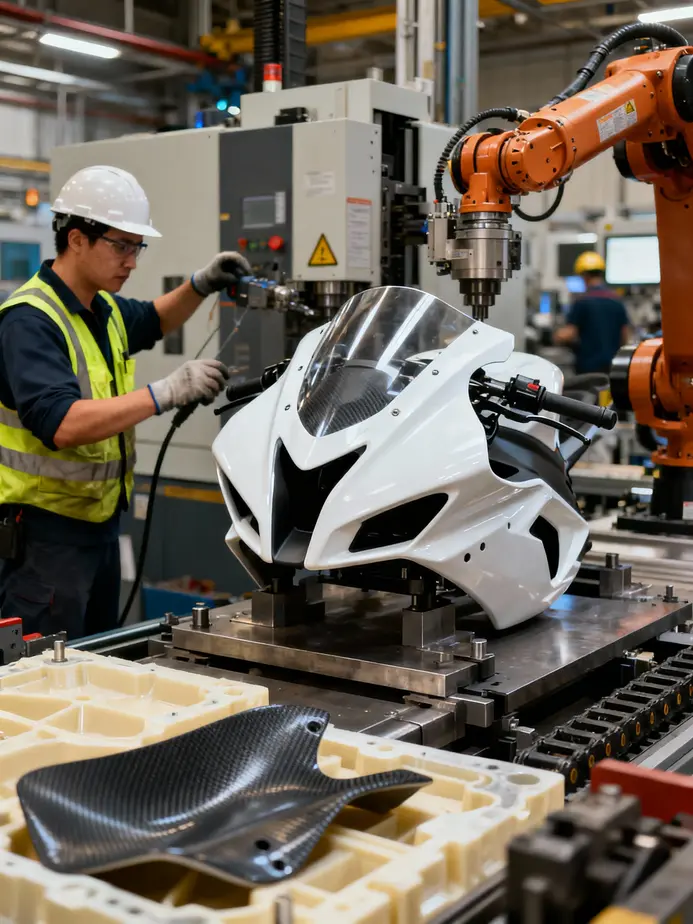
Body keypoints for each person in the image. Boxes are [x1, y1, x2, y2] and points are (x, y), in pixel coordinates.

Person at [0, 165, 251, 640]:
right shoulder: (30, 321)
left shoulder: (102, 306)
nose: (132, 261)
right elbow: (61, 423)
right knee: (42, 679)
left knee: (93, 661)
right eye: (121, 246)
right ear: (76, 240)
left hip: (98, 530)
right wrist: (164, 393)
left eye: (137, 247)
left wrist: (201, 283)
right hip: (45, 539)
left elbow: (154, 319)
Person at [554, 251, 631, 375]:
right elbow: (625, 335)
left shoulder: (582, 302)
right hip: (613, 367)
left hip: (588, 368)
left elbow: (569, 333)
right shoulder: (616, 301)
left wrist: (556, 336)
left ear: (584, 275)